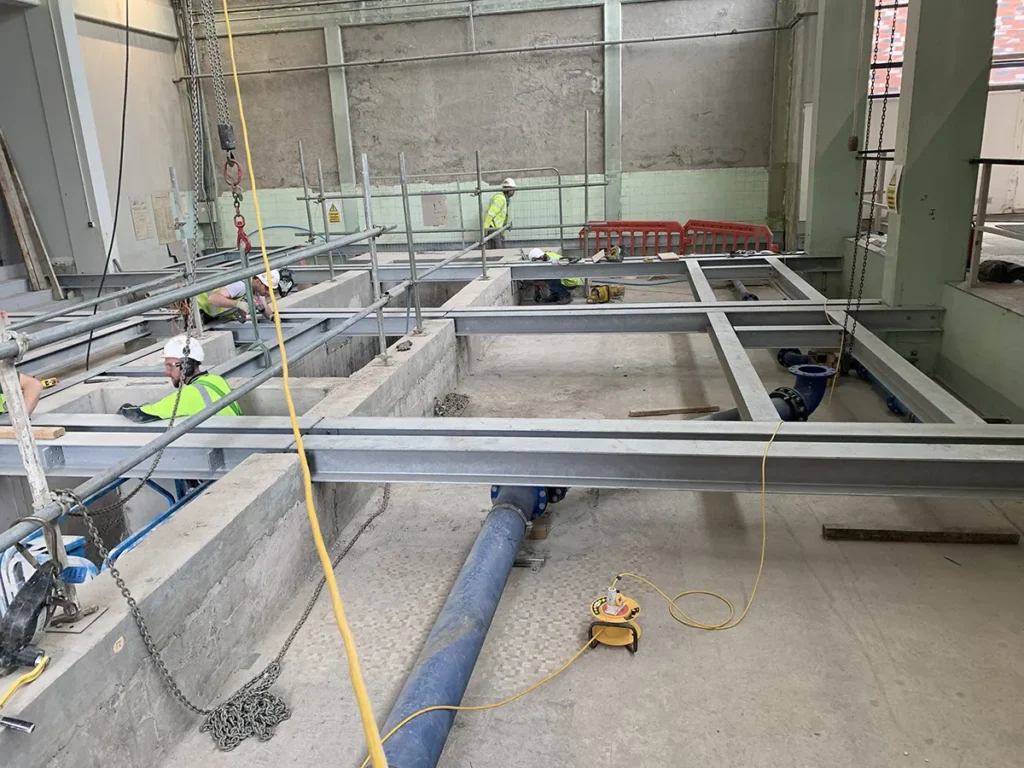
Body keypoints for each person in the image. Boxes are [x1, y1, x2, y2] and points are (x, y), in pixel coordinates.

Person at [117, 336, 241, 423]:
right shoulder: (217, 379)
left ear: (187, 366)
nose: (167, 372)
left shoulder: (190, 394)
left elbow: (141, 415)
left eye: (170, 366)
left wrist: (125, 408)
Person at [196, 270, 280, 322]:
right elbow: (212, 299)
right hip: (199, 308)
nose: (269, 293)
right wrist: (237, 304)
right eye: (267, 288)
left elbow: (263, 305)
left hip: (213, 316)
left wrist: (272, 317)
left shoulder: (257, 289)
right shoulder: (241, 285)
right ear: (258, 282)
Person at [483, 178, 516, 249]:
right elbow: (490, 214)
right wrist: (485, 230)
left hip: (497, 229)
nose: (514, 192)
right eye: (513, 189)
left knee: (498, 249)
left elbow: (503, 217)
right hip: (493, 228)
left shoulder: (505, 199)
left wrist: (502, 231)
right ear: (509, 190)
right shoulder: (500, 198)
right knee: (498, 250)